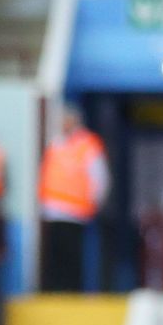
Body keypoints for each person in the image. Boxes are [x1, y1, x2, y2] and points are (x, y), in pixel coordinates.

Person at [38, 105, 107, 291]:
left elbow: (99, 177)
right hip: (52, 211)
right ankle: (54, 290)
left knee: (72, 255)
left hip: (75, 212)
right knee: (54, 255)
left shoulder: (87, 143)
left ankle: (71, 291)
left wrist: (95, 203)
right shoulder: (55, 144)